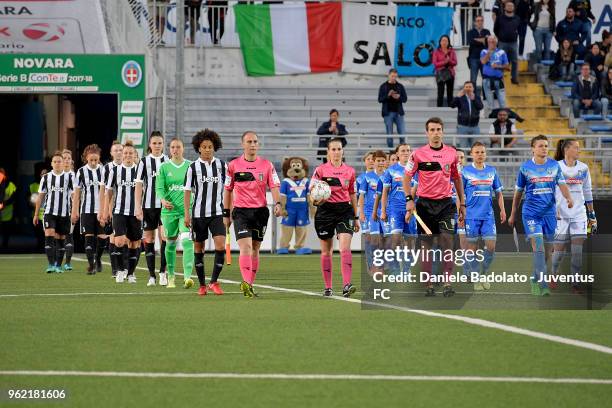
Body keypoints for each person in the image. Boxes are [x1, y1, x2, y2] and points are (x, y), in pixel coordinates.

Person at [402, 118, 465, 297]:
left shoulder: (452, 154)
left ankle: (447, 283)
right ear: (427, 132)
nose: (436, 132)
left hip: (446, 204)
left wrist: (462, 203)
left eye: (438, 129)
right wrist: (409, 199)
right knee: (426, 245)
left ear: (443, 132)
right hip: (424, 205)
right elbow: (406, 178)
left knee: (447, 242)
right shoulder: (417, 154)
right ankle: (428, 284)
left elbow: (457, 179)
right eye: (432, 130)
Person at [508, 135, 574, 296]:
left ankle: (534, 277)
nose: (544, 148)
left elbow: (562, 184)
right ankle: (542, 286)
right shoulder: (525, 168)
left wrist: (568, 197)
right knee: (538, 248)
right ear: (532, 148)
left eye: (546, 145)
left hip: (549, 214)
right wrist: (513, 214)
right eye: (540, 146)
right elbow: (518, 193)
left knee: (547, 252)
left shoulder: (554, 166)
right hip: (531, 214)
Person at [224, 131, 281, 298]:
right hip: (241, 212)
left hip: (261, 212)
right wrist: (226, 214)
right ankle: (247, 283)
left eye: (255, 141)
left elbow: (275, 186)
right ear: (243, 144)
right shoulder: (233, 165)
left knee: (255, 248)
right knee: (246, 247)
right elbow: (227, 191)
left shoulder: (267, 165)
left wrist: (278, 203)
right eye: (249, 141)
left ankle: (250, 284)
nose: (253, 144)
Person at [311, 137, 359, 297]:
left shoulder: (350, 171)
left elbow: (352, 193)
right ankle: (328, 287)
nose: (337, 152)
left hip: (345, 210)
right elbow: (311, 193)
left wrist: (356, 216)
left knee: (345, 248)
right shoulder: (320, 170)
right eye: (333, 149)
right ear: (328, 152)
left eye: (339, 149)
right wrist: (315, 199)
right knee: (326, 252)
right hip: (325, 211)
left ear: (342, 151)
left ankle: (346, 285)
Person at [184, 130, 228, 296]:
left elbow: (230, 188)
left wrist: (228, 212)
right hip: (198, 214)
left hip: (217, 213)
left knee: (220, 246)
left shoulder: (222, 166)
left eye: (210, 146)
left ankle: (214, 282)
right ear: (199, 148)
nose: (208, 149)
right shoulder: (193, 168)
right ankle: (202, 285)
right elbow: (187, 191)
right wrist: (187, 214)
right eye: (204, 147)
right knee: (199, 247)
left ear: (214, 147)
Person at [550, 139, 596, 294]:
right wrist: (552, 209)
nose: (579, 151)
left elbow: (587, 191)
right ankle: (554, 273)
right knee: (559, 252)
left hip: (579, 215)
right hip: (560, 215)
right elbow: (549, 190)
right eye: (576, 148)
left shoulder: (583, 168)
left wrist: (592, 214)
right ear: (567, 149)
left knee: (577, 251)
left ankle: (575, 283)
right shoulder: (556, 167)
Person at [150, 138, 194, 289]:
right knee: (170, 243)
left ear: (183, 149)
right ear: (169, 149)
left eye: (178, 147)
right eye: (173, 147)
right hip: (169, 212)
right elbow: (159, 188)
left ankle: (188, 277)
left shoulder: (190, 166)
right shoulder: (163, 167)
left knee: (187, 241)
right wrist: (162, 200)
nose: (175, 150)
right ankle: (171, 276)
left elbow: (196, 186)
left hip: (185, 211)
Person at [462, 142, 506, 290]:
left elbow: (499, 193)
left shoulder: (492, 171)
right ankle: (475, 277)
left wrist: (502, 210)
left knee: (491, 247)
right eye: (477, 152)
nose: (480, 154)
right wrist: (461, 211)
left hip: (488, 216)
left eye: (482, 152)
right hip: (471, 216)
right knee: (471, 249)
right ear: (472, 154)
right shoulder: (465, 171)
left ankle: (483, 273)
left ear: (485, 154)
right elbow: (459, 195)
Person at [103, 141, 142, 284]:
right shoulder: (115, 170)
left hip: (135, 212)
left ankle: (130, 273)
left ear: (134, 154)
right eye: (125, 153)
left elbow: (144, 191)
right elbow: (109, 191)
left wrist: (141, 209)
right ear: (122, 154)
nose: (127, 155)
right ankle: (120, 270)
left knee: (134, 244)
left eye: (130, 153)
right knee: (119, 242)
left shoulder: (139, 170)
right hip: (119, 211)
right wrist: (107, 211)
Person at [33, 151, 75, 273]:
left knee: (61, 239)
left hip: (64, 214)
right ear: (51, 164)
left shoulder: (69, 178)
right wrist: (36, 214)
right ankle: (51, 264)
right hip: (49, 213)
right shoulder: (46, 178)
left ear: (63, 163)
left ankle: (58, 265)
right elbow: (40, 197)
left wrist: (75, 211)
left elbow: (74, 196)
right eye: (55, 161)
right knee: (49, 236)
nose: (57, 163)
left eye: (59, 162)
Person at [135, 131, 168, 286]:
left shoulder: (168, 161)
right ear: (149, 145)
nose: (157, 146)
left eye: (159, 143)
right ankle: (151, 276)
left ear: (163, 144)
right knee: (149, 239)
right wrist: (138, 207)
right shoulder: (143, 162)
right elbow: (139, 185)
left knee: (164, 239)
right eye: (154, 143)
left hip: (165, 207)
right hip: (148, 207)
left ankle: (163, 272)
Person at [380, 144, 416, 275]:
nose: (406, 153)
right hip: (395, 209)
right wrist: (383, 211)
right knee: (395, 240)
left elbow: (416, 191)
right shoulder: (390, 171)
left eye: (408, 150)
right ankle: (395, 271)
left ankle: (406, 270)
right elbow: (385, 192)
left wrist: (410, 209)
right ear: (397, 154)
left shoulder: (415, 170)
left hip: (411, 211)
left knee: (410, 241)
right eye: (403, 151)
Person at [71, 144, 106, 274]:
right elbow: (77, 194)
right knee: (89, 238)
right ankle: (91, 265)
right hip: (86, 210)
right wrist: (74, 211)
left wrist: (107, 210)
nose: (93, 162)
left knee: (102, 237)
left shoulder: (104, 170)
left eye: (95, 160)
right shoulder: (81, 172)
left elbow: (108, 191)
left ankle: (98, 258)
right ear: (86, 158)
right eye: (91, 160)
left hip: (101, 210)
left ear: (99, 159)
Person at [358, 150, 387, 274]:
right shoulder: (364, 178)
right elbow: (361, 196)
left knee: (385, 239)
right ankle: (372, 266)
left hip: (384, 211)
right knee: (371, 239)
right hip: (369, 212)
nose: (372, 161)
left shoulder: (387, 175)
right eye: (369, 159)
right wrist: (362, 212)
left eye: (382, 160)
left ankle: (381, 265)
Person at [99, 141, 123, 278]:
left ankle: (124, 267)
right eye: (116, 150)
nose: (119, 152)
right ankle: (115, 269)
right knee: (113, 237)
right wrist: (103, 210)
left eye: (121, 150)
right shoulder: (107, 168)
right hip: (112, 207)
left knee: (124, 239)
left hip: (127, 207)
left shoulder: (132, 167)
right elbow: (103, 190)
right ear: (111, 153)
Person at [378, 68, 407, 148]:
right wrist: (388, 95)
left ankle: (401, 152)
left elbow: (405, 99)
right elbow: (380, 99)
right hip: (388, 113)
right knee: (389, 136)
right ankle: (391, 154)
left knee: (402, 135)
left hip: (399, 113)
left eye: (395, 76)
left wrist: (398, 97)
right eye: (392, 76)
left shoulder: (400, 86)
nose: (394, 78)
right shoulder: (383, 86)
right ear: (389, 75)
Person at [494, 0, 520, 84]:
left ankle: (514, 78)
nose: (509, 7)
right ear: (504, 7)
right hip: (502, 42)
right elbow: (495, 29)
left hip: (513, 43)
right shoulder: (500, 18)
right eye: (508, 6)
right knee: (500, 61)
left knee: (515, 61)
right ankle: (500, 78)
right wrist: (500, 36)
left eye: (511, 6)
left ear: (514, 8)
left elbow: (519, 29)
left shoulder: (517, 18)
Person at [450, 81, 484, 148]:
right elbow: (452, 105)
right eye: (466, 87)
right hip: (462, 126)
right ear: (464, 88)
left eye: (470, 87)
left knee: (475, 148)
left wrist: (474, 99)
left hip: (475, 126)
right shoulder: (460, 97)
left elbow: (480, 107)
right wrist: (457, 97)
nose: (468, 88)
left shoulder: (476, 97)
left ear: (473, 88)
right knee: (463, 148)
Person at [481, 36, 509, 110]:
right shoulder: (484, 51)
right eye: (489, 42)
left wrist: (498, 66)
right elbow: (483, 61)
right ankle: (491, 120)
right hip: (487, 80)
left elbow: (507, 67)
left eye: (493, 41)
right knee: (490, 105)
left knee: (503, 104)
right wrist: (489, 52)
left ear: (496, 42)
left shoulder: (501, 52)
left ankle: (504, 119)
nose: (491, 43)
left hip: (499, 80)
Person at [466, 15, 491, 90]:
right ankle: (473, 98)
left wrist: (477, 40)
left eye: (481, 20)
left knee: (486, 79)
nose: (480, 22)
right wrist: (483, 40)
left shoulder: (487, 31)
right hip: (474, 58)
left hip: (484, 58)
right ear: (475, 23)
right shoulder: (470, 32)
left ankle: (485, 97)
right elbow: (471, 42)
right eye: (478, 21)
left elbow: (489, 43)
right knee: (473, 80)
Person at [433, 35, 457, 107]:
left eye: (446, 41)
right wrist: (444, 62)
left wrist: (449, 60)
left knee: (450, 92)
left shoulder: (452, 51)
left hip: (450, 73)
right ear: (440, 42)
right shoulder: (436, 52)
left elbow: (455, 62)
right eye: (443, 40)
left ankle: (450, 108)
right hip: (440, 73)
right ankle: (439, 108)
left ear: (448, 42)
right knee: (440, 92)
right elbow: (435, 64)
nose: (444, 42)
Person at [61, 149, 75, 271]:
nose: (66, 161)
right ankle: (55, 261)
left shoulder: (75, 176)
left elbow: (76, 195)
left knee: (68, 235)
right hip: (55, 211)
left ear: (72, 161)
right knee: (57, 237)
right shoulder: (53, 175)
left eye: (68, 159)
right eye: (63, 158)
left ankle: (68, 263)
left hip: (69, 211)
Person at [29, 164, 47, 253]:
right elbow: (28, 202)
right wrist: (32, 202)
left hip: (49, 215)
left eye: (45, 173)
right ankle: (40, 251)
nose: (44, 175)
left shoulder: (52, 184)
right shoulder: (32, 186)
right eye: (42, 174)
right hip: (37, 216)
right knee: (40, 238)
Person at [0, 168, 16, 251]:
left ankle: (5, 245)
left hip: (8, 213)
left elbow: (13, 198)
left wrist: (4, 204)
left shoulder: (11, 185)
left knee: (6, 230)